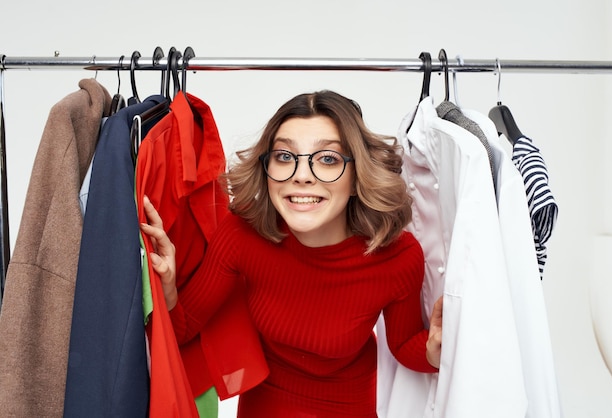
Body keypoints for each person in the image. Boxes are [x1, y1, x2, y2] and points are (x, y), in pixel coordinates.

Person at [141, 90, 443, 418]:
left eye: (328, 159)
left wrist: (434, 352)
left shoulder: (397, 257)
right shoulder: (242, 236)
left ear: (357, 178)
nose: (301, 175)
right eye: (285, 156)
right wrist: (167, 287)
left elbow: (403, 344)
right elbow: (182, 332)